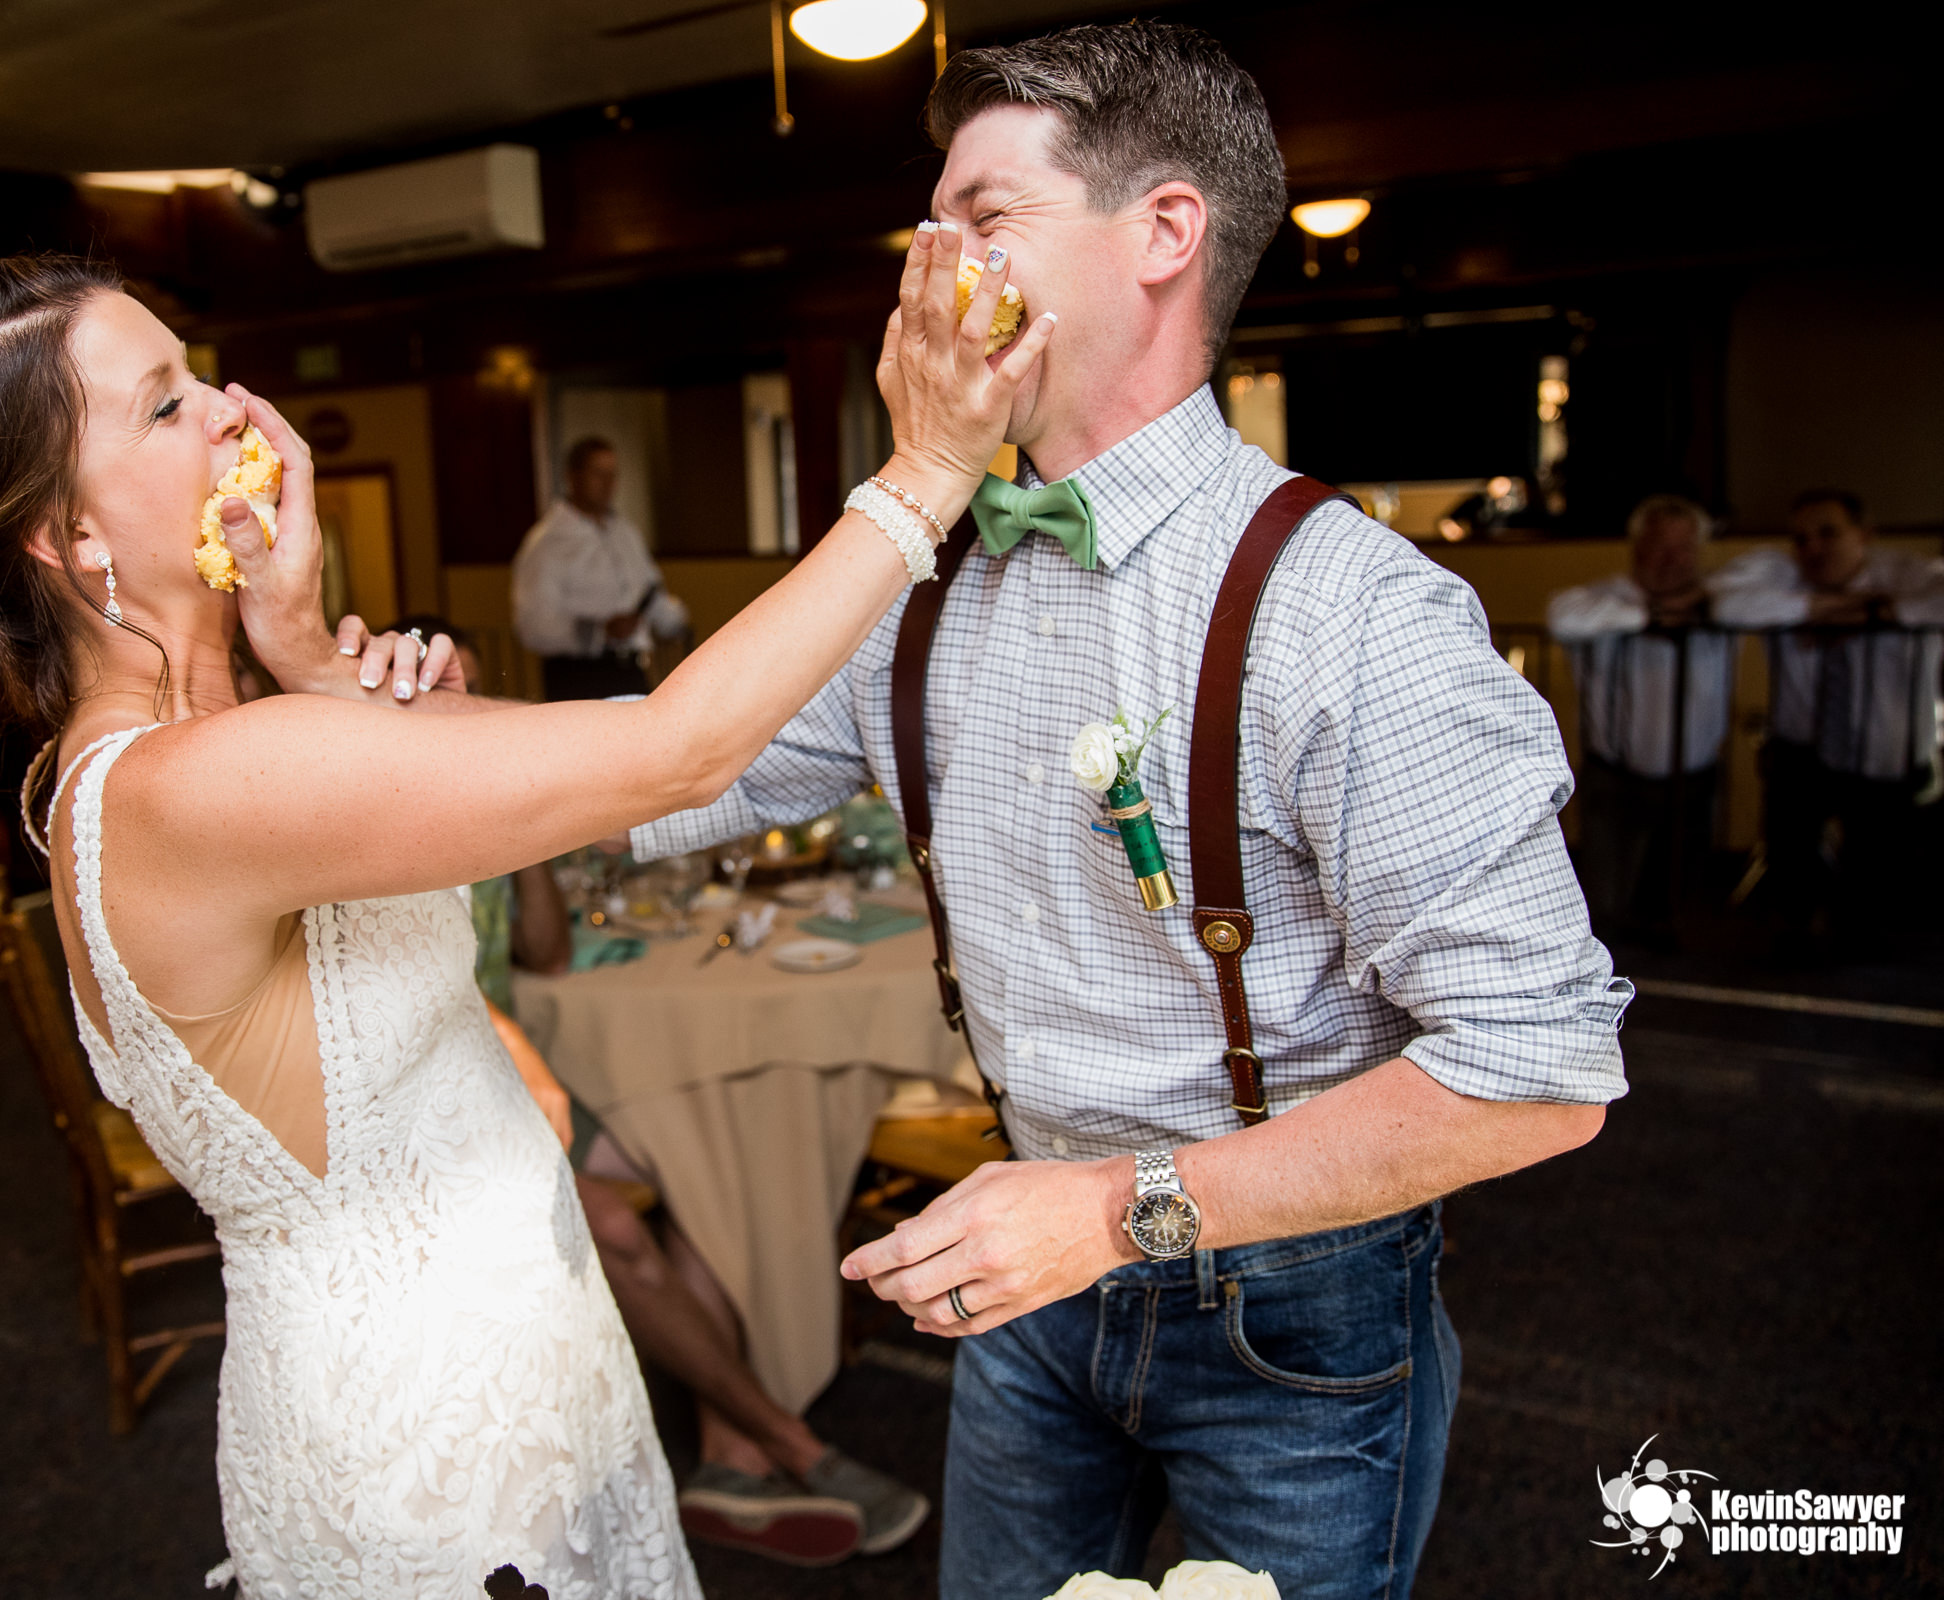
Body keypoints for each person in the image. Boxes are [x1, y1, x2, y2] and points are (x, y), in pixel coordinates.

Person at [0, 241, 1042, 1598]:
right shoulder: (177, 789)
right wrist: (931, 471)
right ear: (75, 542)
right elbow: (678, 752)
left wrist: (301, 644)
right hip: (422, 1450)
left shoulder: (220, 746)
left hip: (529, 1357)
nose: (236, 411)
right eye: (167, 404)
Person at [624, 23, 1627, 1600]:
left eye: (982, 215)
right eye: (928, 219)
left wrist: (1113, 1211)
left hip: (1290, 1303)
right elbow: (662, 777)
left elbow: (1541, 1070)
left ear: (1165, 232)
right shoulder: (916, 578)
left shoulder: (1356, 613)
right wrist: (345, 705)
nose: (925, 263)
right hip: (1024, 1271)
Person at [464, 838, 929, 1567]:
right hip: (455, 1096)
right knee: (616, 1227)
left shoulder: (479, 824)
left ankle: (727, 1455)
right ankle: (786, 1438)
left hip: (513, 1075)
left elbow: (547, 956)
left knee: (698, 1154)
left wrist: (525, 840)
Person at [1710, 488, 1944, 940]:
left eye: (1827, 534)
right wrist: (1834, 608)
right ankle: (1793, 934)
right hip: (1801, 747)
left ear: (1864, 535)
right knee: (1791, 850)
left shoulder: (1906, 574)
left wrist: (1886, 609)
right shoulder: (1787, 578)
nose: (1812, 548)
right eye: (1801, 539)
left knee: (1877, 860)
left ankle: (1865, 942)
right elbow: (1727, 603)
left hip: (1882, 751)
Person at [1545, 495, 1736, 938]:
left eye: (1683, 548)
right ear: (1637, 549)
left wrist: (1692, 607)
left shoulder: (1719, 600)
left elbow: (1756, 604)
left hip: (1695, 777)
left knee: (1681, 905)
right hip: (1616, 777)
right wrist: (1656, 615)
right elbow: (1563, 617)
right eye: (1659, 547)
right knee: (1606, 902)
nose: (1671, 560)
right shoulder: (1599, 598)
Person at [513, 438, 692, 700]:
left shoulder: (625, 533)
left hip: (632, 669)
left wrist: (674, 618)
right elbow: (533, 626)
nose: (608, 483)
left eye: (612, 474)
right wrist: (601, 631)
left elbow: (650, 592)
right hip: (580, 676)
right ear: (573, 476)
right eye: (598, 473)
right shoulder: (547, 543)